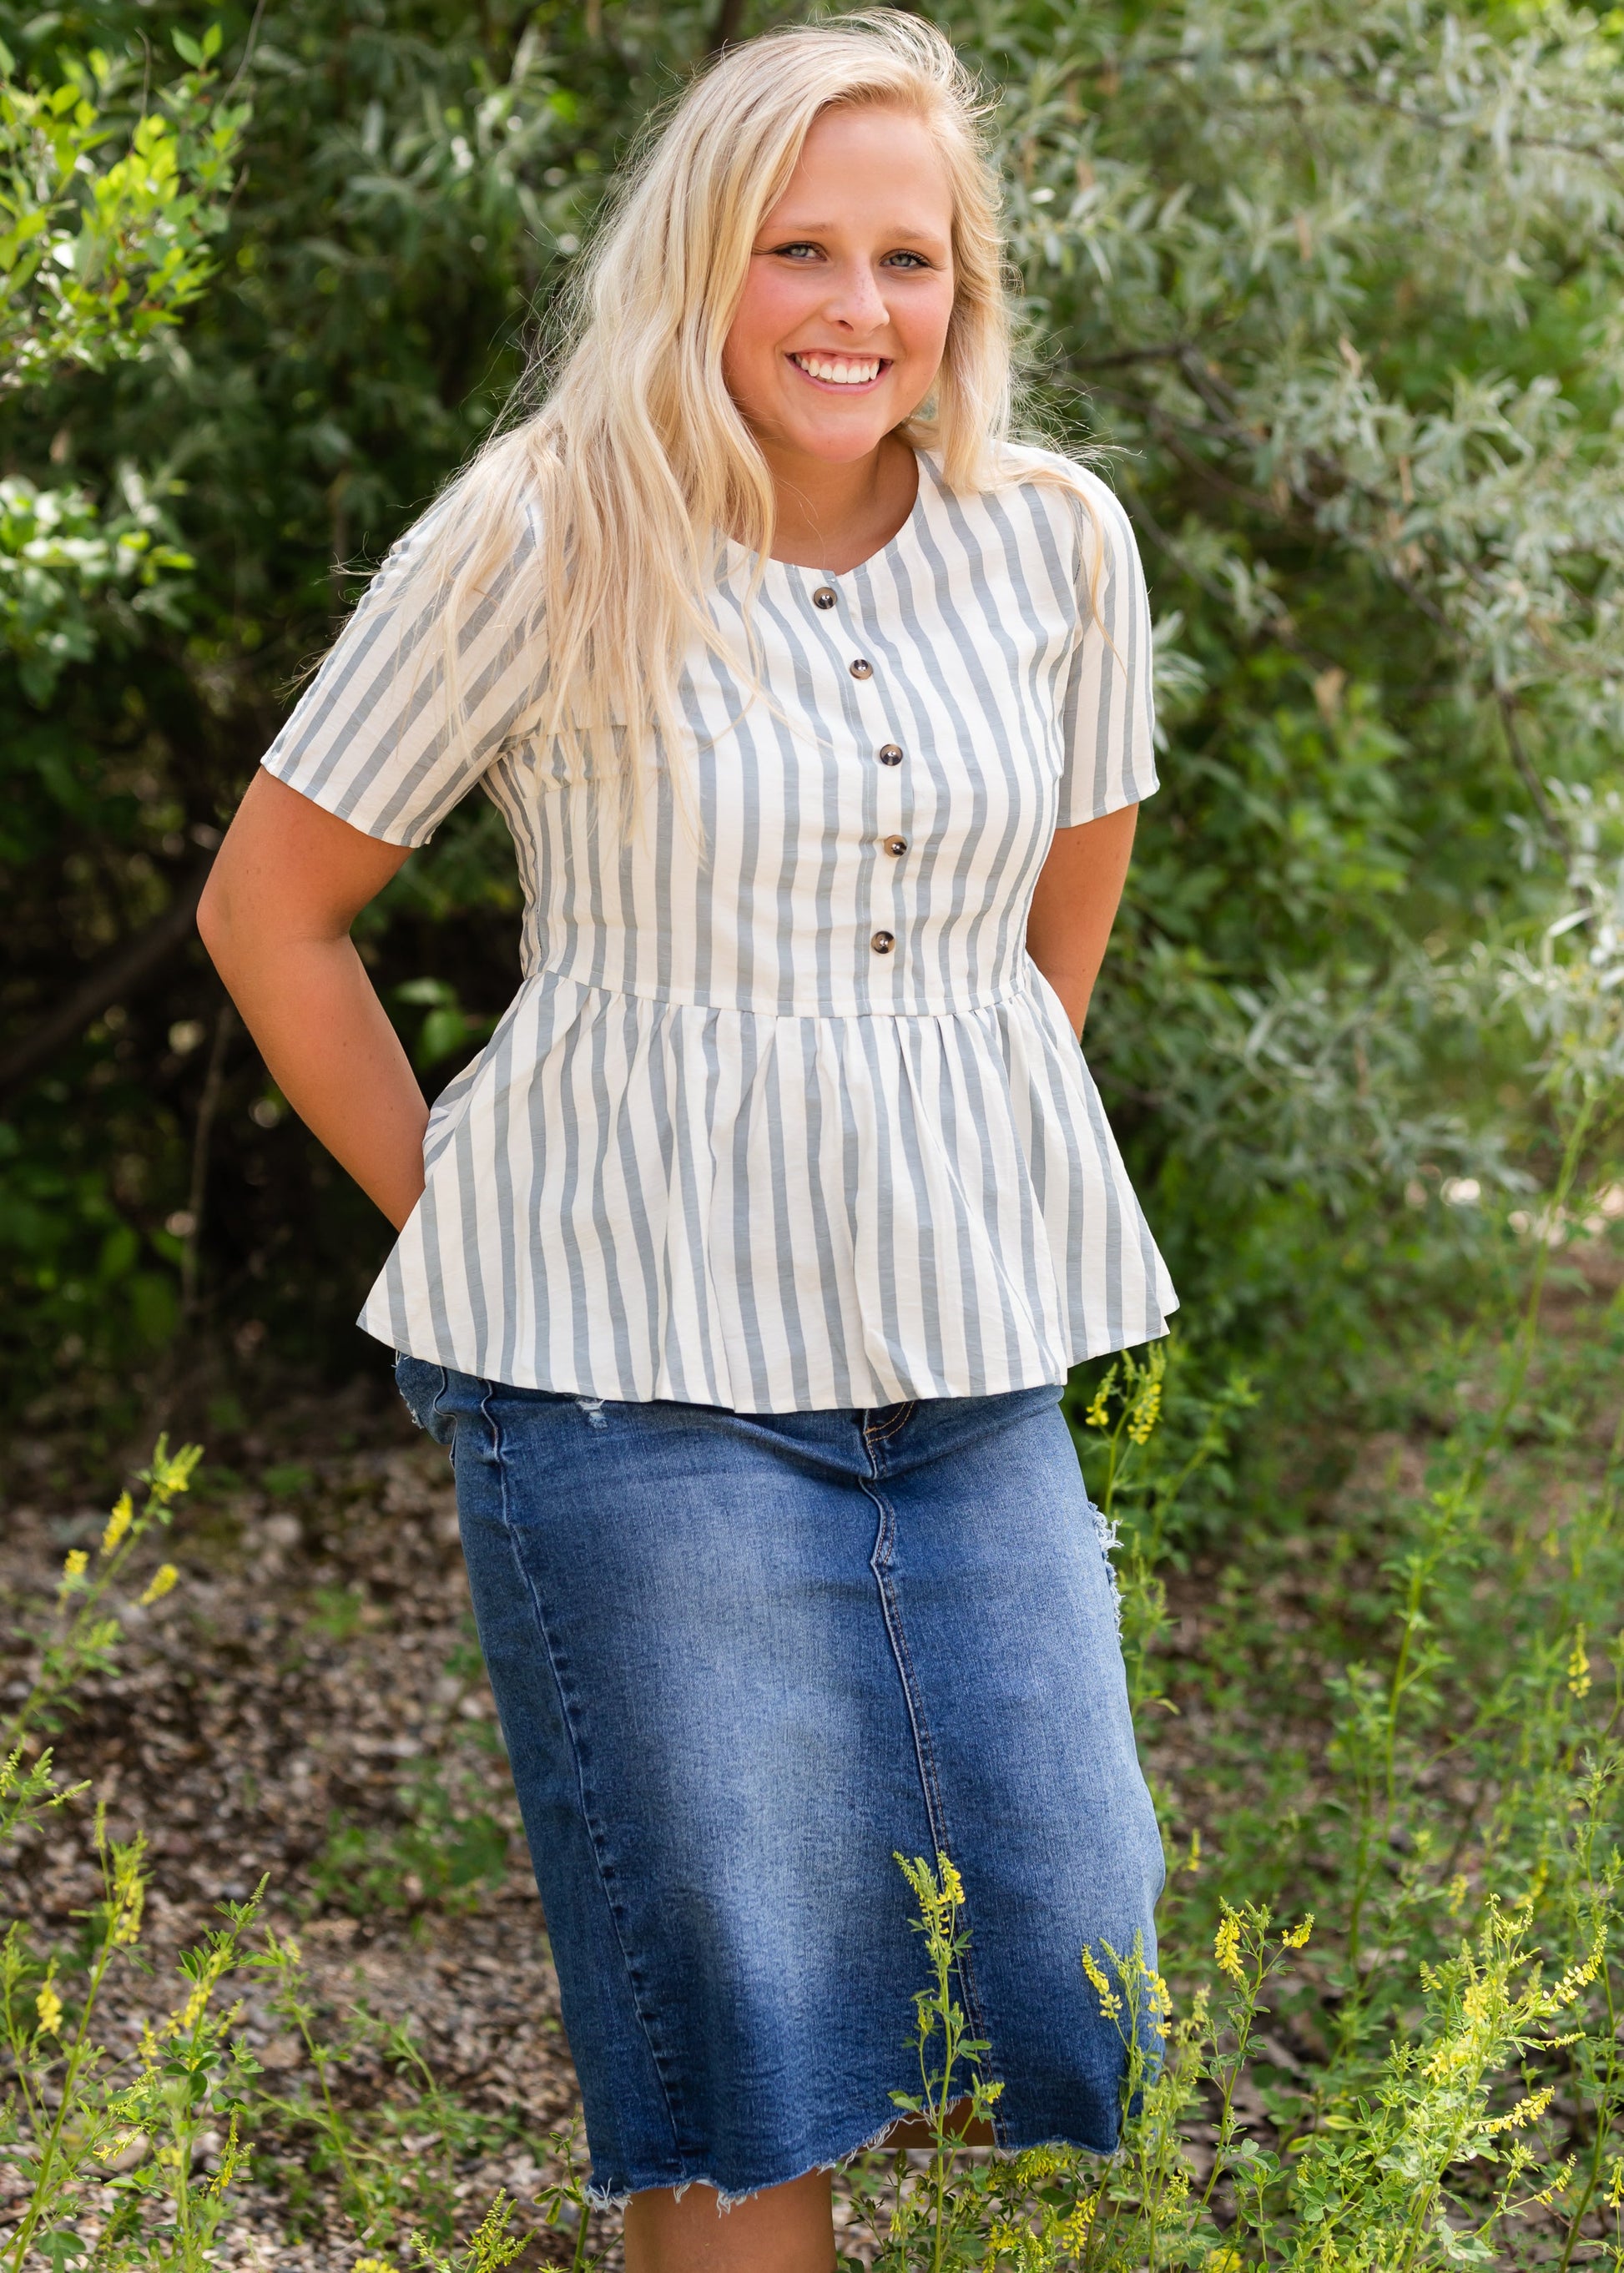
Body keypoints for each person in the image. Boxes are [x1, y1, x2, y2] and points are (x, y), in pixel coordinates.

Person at [198, 13, 1175, 2269]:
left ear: (965, 294)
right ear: (699, 264)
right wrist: (474, 1219)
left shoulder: (1052, 548)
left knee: (1073, 1938)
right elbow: (273, 908)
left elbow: (1050, 933)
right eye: (797, 249)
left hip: (962, 1369)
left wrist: (949, 1183)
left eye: (906, 259)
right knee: (748, 2046)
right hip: (624, 1384)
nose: (856, 308)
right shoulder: (546, 525)